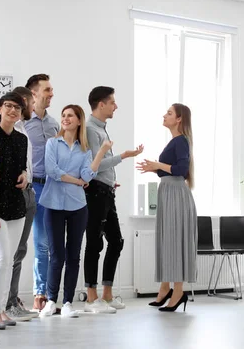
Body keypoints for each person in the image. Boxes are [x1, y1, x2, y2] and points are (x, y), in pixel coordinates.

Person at [39, 104, 112, 318]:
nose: (65, 118)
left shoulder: (84, 150)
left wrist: (101, 152)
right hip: (52, 205)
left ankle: (68, 302)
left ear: (79, 120)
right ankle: (51, 301)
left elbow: (88, 175)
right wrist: (76, 180)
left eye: (70, 115)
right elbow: (52, 171)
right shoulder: (52, 143)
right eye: (63, 115)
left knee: (73, 256)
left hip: (78, 207)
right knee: (56, 256)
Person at [84, 87, 143, 313]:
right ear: (101, 104)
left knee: (116, 241)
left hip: (106, 190)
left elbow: (101, 165)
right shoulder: (91, 128)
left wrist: (110, 181)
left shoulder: (101, 129)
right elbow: (94, 164)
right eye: (112, 103)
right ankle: (91, 297)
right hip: (96, 192)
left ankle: (107, 294)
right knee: (94, 243)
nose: (115, 107)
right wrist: (124, 156)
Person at [136, 103, 197, 313]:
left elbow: (181, 169)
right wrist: (155, 168)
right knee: (167, 241)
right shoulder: (175, 141)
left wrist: (157, 165)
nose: (165, 115)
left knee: (175, 241)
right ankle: (165, 288)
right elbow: (168, 172)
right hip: (169, 191)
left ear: (179, 119)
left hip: (176, 194)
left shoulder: (181, 141)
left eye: (169, 113)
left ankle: (178, 291)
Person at [0, 92, 29, 329]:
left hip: (17, 205)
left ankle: (2, 309)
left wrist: (24, 175)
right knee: (1, 258)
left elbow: (22, 167)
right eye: (8, 106)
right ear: (0, 109)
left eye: (17, 108)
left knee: (10, 259)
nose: (13, 111)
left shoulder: (22, 140)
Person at [24, 74, 59, 312]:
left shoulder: (55, 124)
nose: (51, 94)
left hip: (53, 187)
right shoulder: (23, 123)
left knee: (49, 243)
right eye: (47, 89)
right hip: (31, 186)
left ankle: (45, 293)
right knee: (32, 243)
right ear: (34, 94)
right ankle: (36, 294)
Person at [5, 86, 38, 320]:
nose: (30, 107)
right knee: (10, 253)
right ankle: (7, 303)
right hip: (13, 195)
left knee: (21, 250)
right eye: (30, 102)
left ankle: (12, 299)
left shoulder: (24, 130)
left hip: (29, 192)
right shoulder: (8, 131)